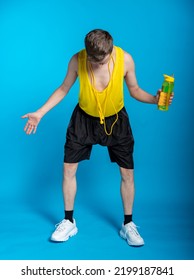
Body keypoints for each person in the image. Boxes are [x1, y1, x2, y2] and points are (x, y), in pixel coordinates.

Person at [22, 29, 173, 246]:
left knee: (127, 173)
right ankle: (68, 221)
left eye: (103, 60)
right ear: (87, 52)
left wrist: (156, 100)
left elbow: (135, 90)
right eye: (94, 61)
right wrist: (40, 112)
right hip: (84, 118)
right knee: (68, 169)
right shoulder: (77, 59)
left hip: (116, 120)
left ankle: (128, 224)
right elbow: (64, 88)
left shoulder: (125, 59)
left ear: (110, 50)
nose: (99, 64)